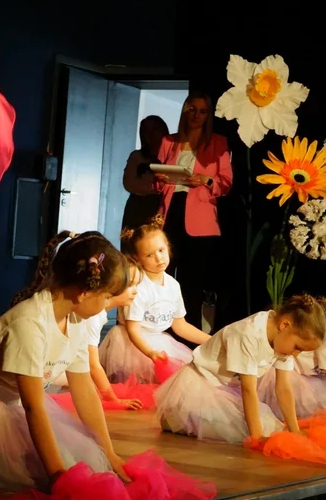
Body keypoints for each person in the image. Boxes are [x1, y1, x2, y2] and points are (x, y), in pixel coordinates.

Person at [0, 231, 134, 489]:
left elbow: (84, 389)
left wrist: (108, 452)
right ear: (83, 293)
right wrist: (57, 473)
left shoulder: (77, 320)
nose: (109, 304)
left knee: (82, 461)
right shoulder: (28, 324)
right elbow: (33, 406)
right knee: (15, 471)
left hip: (16, 401)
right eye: (107, 297)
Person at [153, 294, 326, 445]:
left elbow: (283, 388)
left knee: (270, 427)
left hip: (224, 390)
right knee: (238, 431)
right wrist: (257, 438)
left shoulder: (282, 339)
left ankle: (186, 418)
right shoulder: (248, 333)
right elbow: (248, 389)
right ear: (285, 325)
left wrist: (294, 429)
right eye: (297, 347)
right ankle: (176, 417)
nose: (295, 354)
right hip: (199, 384)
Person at [154, 93, 232, 323]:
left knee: (192, 283)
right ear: (185, 111)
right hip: (170, 213)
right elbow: (156, 184)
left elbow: (225, 184)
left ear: (208, 116)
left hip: (200, 219)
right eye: (192, 110)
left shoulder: (217, 142)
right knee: (163, 277)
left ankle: (189, 335)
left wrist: (207, 180)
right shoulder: (169, 141)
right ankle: (161, 329)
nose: (196, 115)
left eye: (202, 111)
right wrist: (160, 178)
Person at [99, 221, 209, 382]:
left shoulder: (173, 285)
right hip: (132, 345)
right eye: (149, 255)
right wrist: (149, 353)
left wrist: (211, 340)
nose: (158, 258)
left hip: (160, 341)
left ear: (168, 248)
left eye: (161, 250)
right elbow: (133, 330)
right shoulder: (138, 285)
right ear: (137, 258)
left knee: (188, 378)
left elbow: (180, 325)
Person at [48, 257, 146, 410]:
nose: (135, 291)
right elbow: (92, 364)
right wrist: (114, 400)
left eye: (136, 285)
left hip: (68, 364)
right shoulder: (92, 316)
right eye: (130, 285)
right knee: (92, 390)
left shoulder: (98, 314)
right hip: (55, 368)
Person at [121, 115, 168, 231]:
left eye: (155, 129)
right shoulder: (137, 156)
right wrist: (155, 187)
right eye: (146, 130)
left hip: (162, 208)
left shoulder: (171, 157)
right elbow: (129, 183)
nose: (151, 134)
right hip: (138, 210)